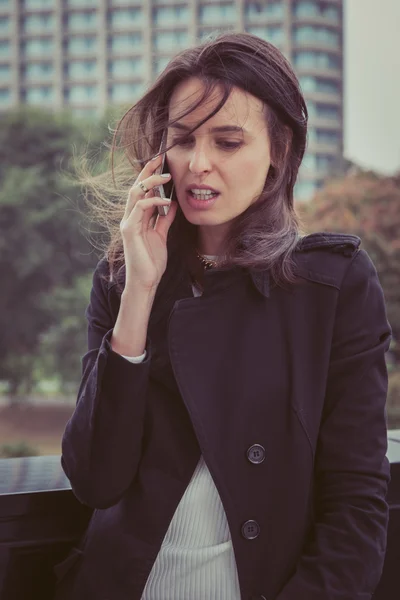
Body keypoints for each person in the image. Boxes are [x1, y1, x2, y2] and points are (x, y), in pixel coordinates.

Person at [54, 32, 391, 600]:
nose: (199, 164)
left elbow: (356, 510)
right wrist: (139, 292)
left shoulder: (331, 285)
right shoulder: (124, 276)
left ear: (278, 152)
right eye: (182, 141)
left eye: (228, 141)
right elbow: (95, 479)